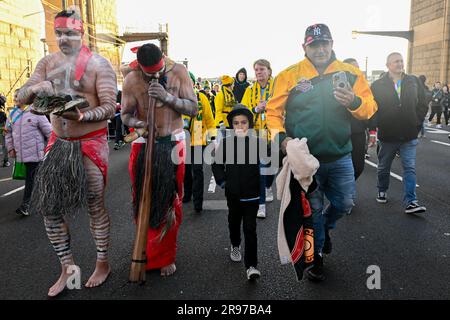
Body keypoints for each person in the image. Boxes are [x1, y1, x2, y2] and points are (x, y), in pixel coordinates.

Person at [16, 8, 118, 297]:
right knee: (49, 209)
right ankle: (68, 267)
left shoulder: (99, 65)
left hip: (89, 142)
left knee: (94, 204)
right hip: (58, 144)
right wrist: (38, 87)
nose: (63, 38)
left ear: (81, 33)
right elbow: (20, 97)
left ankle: (102, 262)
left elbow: (110, 107)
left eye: (70, 33)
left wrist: (82, 117)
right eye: (59, 33)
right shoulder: (46, 62)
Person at [266, 23, 377, 282]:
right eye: (314, 45)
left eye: (324, 43)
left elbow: (370, 108)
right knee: (312, 212)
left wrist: (354, 101)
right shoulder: (288, 75)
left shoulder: (350, 73)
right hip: (306, 159)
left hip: (340, 156)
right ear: (304, 46)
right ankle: (316, 259)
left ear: (332, 44)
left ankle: (324, 232)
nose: (320, 49)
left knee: (345, 203)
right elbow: (273, 113)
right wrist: (281, 139)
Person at [121, 43, 197, 277]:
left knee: (170, 199)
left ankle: (165, 255)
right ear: (140, 67)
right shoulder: (131, 79)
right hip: (144, 145)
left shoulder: (179, 72)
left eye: (158, 71)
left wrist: (166, 97)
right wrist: (139, 124)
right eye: (149, 72)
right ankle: (145, 250)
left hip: (173, 143)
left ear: (164, 58)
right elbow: (125, 115)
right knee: (142, 198)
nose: (154, 76)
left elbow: (193, 108)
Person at [369, 52, 428, 214]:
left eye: (401, 61)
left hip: (409, 134)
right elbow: (373, 110)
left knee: (409, 167)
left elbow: (423, 103)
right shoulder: (378, 85)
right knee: (383, 167)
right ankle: (382, 190)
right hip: (388, 135)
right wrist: (373, 130)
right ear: (388, 65)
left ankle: (411, 201)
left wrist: (417, 123)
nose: (400, 64)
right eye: (396, 61)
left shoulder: (413, 81)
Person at [212, 104, 266, 281]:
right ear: (232, 125)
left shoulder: (258, 142)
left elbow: (270, 163)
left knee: (250, 228)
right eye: (236, 123)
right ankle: (235, 244)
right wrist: (223, 182)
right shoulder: (226, 144)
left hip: (252, 194)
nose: (240, 126)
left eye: (244, 122)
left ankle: (251, 266)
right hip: (233, 194)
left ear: (249, 124)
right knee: (234, 223)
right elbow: (217, 165)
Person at [5, 90, 51, 216]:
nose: (14, 98)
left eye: (17, 96)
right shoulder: (12, 114)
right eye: (14, 96)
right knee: (36, 178)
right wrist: (10, 148)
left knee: (31, 179)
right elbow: (8, 133)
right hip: (21, 154)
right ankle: (50, 198)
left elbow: (50, 132)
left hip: (36, 154)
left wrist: (49, 149)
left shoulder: (36, 113)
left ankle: (25, 205)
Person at [241, 59, 275, 218]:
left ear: (269, 70)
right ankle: (261, 204)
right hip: (256, 136)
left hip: (275, 134)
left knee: (271, 168)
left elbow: (285, 105)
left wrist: (268, 106)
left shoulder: (277, 87)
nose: (258, 72)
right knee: (260, 171)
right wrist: (256, 108)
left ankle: (269, 186)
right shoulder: (250, 90)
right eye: (256, 70)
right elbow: (243, 110)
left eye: (261, 69)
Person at [183, 72, 216, 212]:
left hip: (198, 140)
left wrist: (214, 137)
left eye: (189, 81)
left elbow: (209, 118)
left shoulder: (201, 97)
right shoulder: (178, 98)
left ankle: (198, 201)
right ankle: (188, 193)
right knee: (185, 170)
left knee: (197, 170)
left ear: (193, 83)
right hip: (183, 140)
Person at [343, 58, 370, 182]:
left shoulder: (364, 87)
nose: (356, 71)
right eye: (352, 68)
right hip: (340, 132)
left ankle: (347, 190)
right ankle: (345, 196)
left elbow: (371, 107)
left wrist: (372, 130)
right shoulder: (337, 86)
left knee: (358, 167)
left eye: (357, 67)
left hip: (358, 131)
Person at [0, 94, 10, 167]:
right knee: (4, 145)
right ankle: (6, 161)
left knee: (4, 144)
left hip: (2, 125)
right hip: (2, 125)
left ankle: (6, 160)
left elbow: (4, 100)